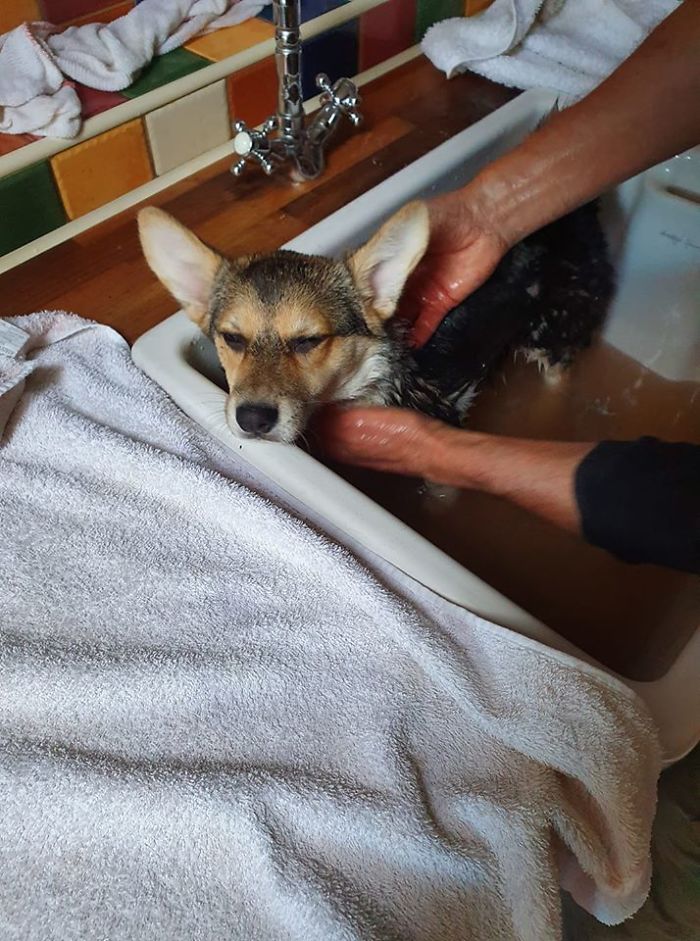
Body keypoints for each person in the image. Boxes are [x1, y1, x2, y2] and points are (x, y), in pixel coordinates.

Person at [317, 1, 700, 575]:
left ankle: (557, 379)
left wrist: (442, 454)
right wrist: (490, 213)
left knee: (555, 353)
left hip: (552, 286)